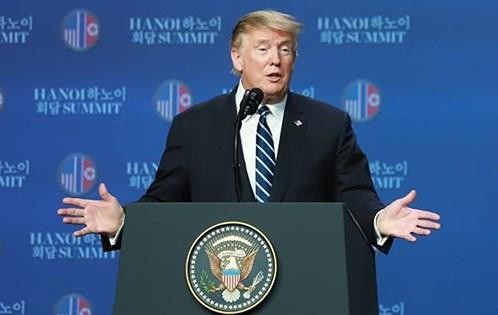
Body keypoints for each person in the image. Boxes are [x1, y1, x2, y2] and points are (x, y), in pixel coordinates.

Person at [58, 10, 440, 252]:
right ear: (237, 58)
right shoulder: (194, 125)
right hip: (219, 283)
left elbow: (353, 194)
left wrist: (378, 222)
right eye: (263, 49)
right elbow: (165, 200)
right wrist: (124, 222)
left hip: (305, 280)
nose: (275, 59)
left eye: (285, 49)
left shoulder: (329, 124)